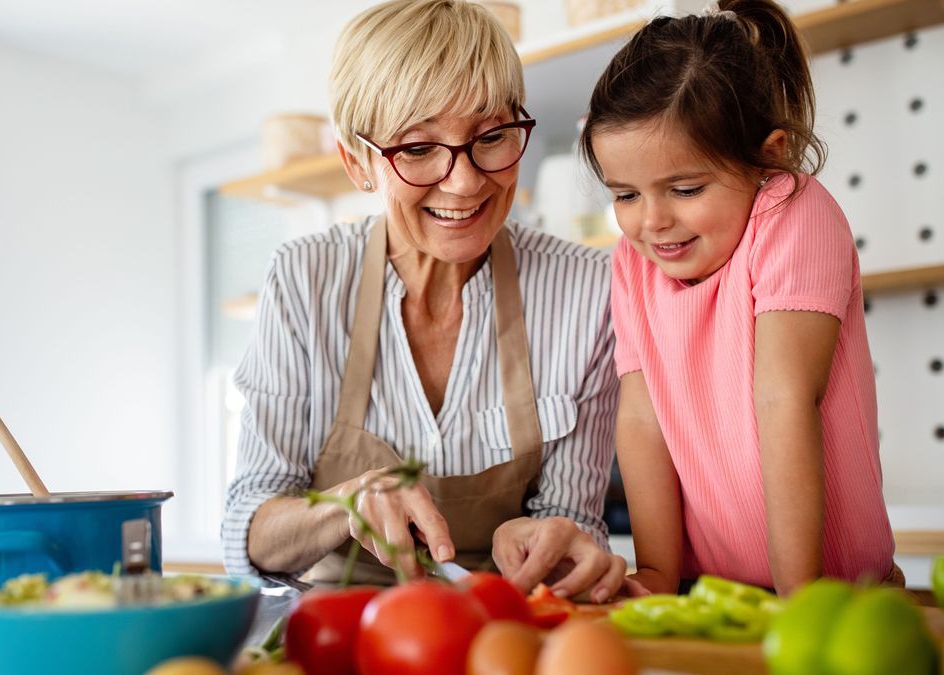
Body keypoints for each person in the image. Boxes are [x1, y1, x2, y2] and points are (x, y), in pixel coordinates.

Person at [222, 0, 630, 601]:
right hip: (337, 631)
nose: (464, 182)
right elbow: (247, 533)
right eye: (417, 150)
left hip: (503, 631)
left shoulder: (588, 291)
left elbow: (576, 520)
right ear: (357, 161)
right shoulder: (304, 278)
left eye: (491, 137)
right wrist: (345, 504)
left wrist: (552, 536)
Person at [581, 0, 898, 596]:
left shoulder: (790, 211)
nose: (654, 222)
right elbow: (642, 420)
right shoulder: (633, 262)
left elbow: (784, 399)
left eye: (685, 188)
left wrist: (797, 598)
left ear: (768, 157)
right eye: (624, 196)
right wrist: (655, 572)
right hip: (712, 590)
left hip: (830, 591)